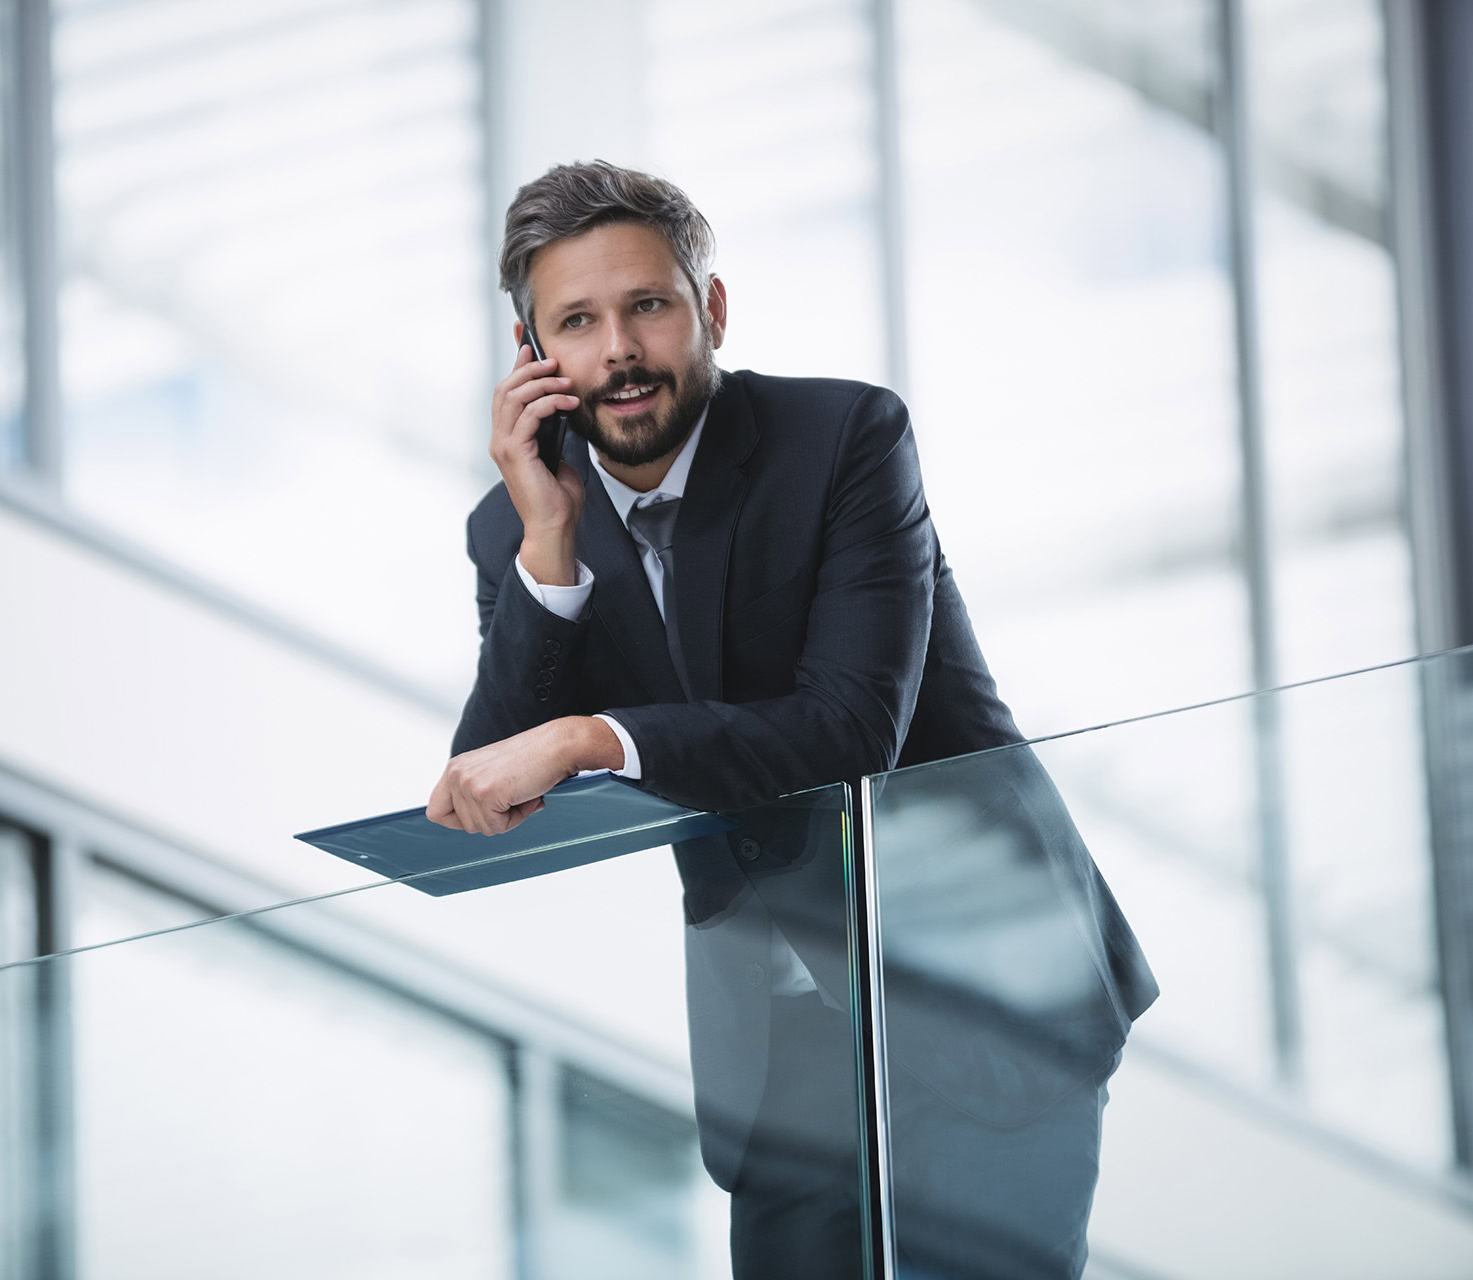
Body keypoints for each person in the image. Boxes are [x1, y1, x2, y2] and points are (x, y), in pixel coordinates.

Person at [426, 161, 1156, 1279]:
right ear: (534, 353)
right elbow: (490, 784)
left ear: (708, 310)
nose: (617, 348)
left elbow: (849, 731)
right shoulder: (520, 527)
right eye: (576, 321)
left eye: (648, 306)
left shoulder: (844, 440)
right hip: (782, 1039)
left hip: (980, 971)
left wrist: (594, 738)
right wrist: (545, 551)